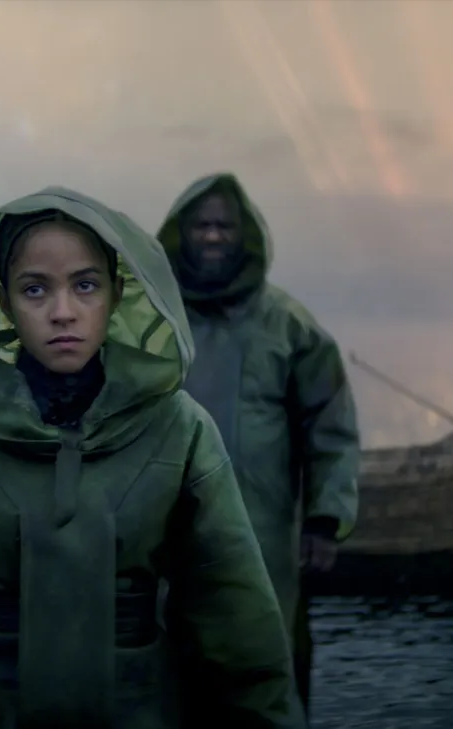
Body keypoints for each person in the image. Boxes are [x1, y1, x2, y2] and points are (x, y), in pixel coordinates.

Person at [0, 186, 306, 729]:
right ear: (3, 303)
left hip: (139, 708)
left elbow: (238, 630)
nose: (62, 312)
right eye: (35, 289)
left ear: (118, 294)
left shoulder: (181, 432)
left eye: (85, 285)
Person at [155, 172, 361, 714]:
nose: (214, 236)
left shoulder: (289, 326)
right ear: (181, 233)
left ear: (245, 235)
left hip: (263, 533)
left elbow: (331, 425)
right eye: (201, 225)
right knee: (168, 664)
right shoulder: (151, 323)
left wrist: (323, 520)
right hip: (164, 530)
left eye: (225, 225)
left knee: (269, 664)